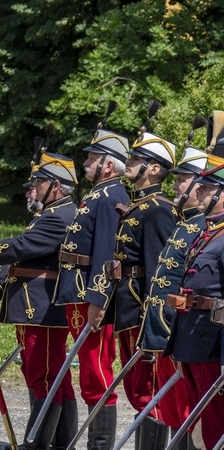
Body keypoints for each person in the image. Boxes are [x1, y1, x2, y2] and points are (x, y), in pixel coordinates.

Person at [0, 148, 78, 450]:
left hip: (43, 309)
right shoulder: (49, 215)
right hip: (35, 307)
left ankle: (36, 445)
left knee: (44, 376)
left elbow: (20, 247)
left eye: (39, 182)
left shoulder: (61, 217)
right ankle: (60, 442)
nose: (33, 188)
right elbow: (19, 261)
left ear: (55, 186)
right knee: (51, 375)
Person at [53, 104, 129, 450]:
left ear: (108, 165)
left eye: (92, 158)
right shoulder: (98, 194)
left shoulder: (112, 196)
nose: (85, 163)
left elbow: (106, 253)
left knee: (96, 371)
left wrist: (98, 299)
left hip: (92, 296)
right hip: (79, 292)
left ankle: (99, 446)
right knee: (88, 370)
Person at [107, 106, 179, 449]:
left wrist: (155, 319)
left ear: (153, 169)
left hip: (142, 309)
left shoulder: (160, 209)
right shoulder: (138, 205)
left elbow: (160, 271)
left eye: (136, 159)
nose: (129, 163)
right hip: (127, 304)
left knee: (148, 389)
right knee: (136, 388)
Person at [138, 131, 208, 450]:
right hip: (163, 330)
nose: (176, 185)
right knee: (172, 409)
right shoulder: (184, 222)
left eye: (182, 180)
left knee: (188, 411)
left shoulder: (203, 226)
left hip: (178, 330)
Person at [164, 112, 224, 449]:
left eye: (206, 187)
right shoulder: (208, 233)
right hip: (194, 341)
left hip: (213, 347)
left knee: (215, 427)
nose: (197, 191)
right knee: (201, 427)